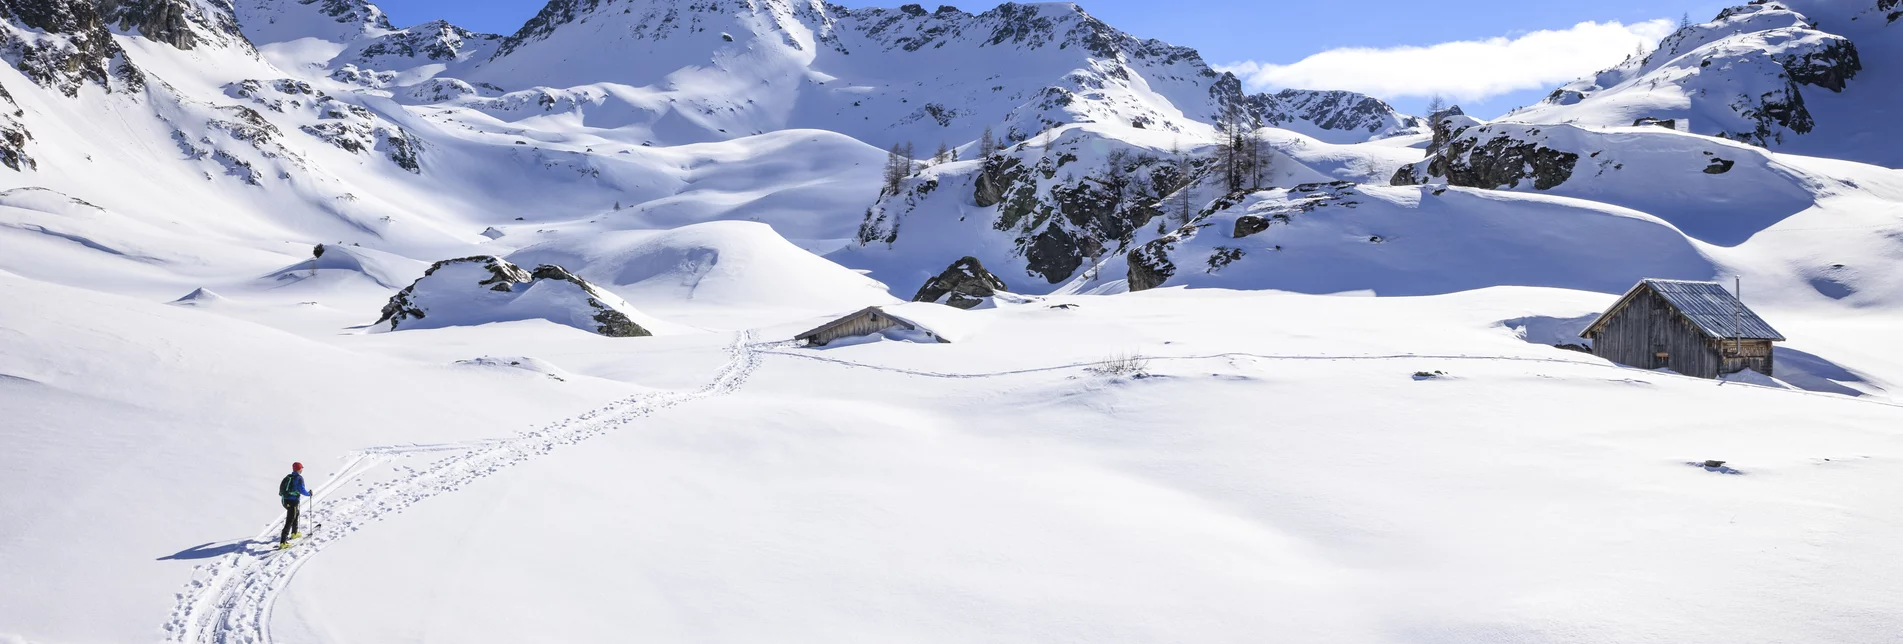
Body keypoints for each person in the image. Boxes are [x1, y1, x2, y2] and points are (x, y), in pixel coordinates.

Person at [278, 462, 313, 548]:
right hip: (292, 502)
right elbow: (301, 490)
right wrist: (309, 494)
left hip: (285, 501)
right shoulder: (299, 478)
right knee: (290, 520)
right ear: (299, 469)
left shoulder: (289, 477)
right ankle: (283, 542)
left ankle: (294, 533)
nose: (302, 470)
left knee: (295, 514)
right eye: (301, 468)